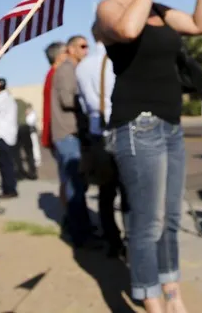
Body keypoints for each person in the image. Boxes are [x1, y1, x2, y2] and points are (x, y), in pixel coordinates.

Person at [95, 0, 202, 313]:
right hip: (136, 126)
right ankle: (150, 297)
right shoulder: (108, 8)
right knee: (147, 222)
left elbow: (200, 25)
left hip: (170, 124)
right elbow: (128, 31)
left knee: (171, 218)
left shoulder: (160, 9)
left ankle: (172, 290)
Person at [75, 25, 128, 258]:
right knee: (127, 190)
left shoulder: (82, 67)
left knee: (106, 193)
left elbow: (85, 104)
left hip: (98, 133)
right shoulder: (116, 59)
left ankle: (113, 241)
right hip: (120, 129)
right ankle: (131, 239)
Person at [50, 35, 97, 248]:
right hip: (68, 134)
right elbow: (67, 99)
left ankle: (82, 228)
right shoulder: (67, 70)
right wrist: (89, 97)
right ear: (70, 49)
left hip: (70, 134)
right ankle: (81, 235)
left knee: (76, 184)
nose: (86, 50)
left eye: (87, 46)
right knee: (75, 186)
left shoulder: (71, 69)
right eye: (82, 46)